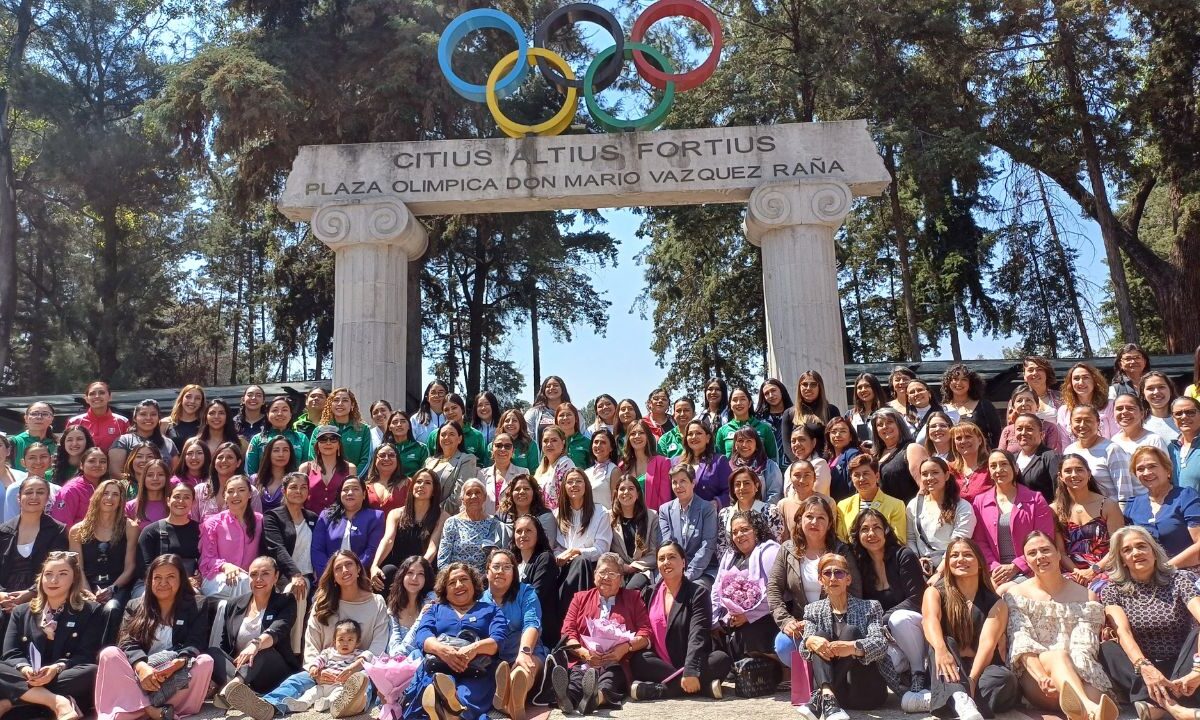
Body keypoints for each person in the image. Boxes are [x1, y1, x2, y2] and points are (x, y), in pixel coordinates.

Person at [224, 550, 388, 720]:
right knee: (295, 682)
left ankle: (351, 704)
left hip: (360, 668)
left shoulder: (376, 602)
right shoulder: (322, 603)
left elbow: (380, 642)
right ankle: (268, 706)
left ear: (359, 569)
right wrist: (314, 669)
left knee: (363, 682)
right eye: (338, 568)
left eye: (349, 565)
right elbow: (311, 643)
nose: (345, 570)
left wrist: (356, 666)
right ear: (333, 575)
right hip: (324, 667)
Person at [1004, 531, 1115, 720]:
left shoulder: (1085, 596)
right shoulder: (1016, 594)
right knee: (1057, 655)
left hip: (1080, 671)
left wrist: (1072, 677)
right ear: (1026, 560)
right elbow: (1021, 643)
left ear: (1058, 554)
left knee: (1096, 696)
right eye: (1032, 553)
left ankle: (1083, 709)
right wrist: (1043, 678)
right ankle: (1087, 707)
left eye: (1045, 550)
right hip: (1038, 678)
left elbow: (1085, 646)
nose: (1040, 556)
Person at [1098, 525, 1200, 720]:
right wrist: (1145, 667)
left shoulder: (1179, 579)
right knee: (1108, 649)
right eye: (1127, 550)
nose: (1136, 553)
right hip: (1142, 669)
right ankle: (1175, 709)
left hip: (1183, 668)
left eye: (1141, 546)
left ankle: (1155, 708)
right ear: (1122, 560)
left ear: (1154, 551)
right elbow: (1123, 633)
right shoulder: (1112, 591)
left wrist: (1198, 669)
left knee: (1197, 633)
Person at [96, 554, 214, 720]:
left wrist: (180, 661)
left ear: (181, 579)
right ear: (149, 581)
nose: (163, 583)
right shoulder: (135, 605)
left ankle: (135, 708)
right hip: (140, 673)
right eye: (157, 577)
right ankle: (151, 711)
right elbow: (127, 642)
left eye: (170, 577)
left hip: (174, 673)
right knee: (109, 654)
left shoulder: (197, 604)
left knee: (205, 662)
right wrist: (142, 667)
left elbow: (196, 640)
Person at [920, 538, 1020, 720]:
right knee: (945, 642)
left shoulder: (996, 602)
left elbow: (988, 645)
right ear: (948, 563)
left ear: (980, 564)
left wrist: (972, 679)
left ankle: (952, 700)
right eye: (954, 555)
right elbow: (929, 621)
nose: (961, 560)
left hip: (983, 667)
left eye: (967, 555)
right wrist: (941, 651)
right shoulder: (934, 592)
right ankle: (961, 702)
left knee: (1005, 679)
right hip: (949, 663)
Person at [0, 551, 102, 719]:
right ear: (41, 578)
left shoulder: (90, 611)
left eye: (62, 574)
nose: (53, 580)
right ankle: (58, 703)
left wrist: (56, 668)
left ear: (75, 578)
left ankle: (14, 701)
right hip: (27, 675)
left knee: (92, 672)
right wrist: (25, 669)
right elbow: (11, 653)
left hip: (63, 675)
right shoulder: (21, 611)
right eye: (48, 574)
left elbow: (86, 655)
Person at [402, 563, 507, 720]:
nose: (459, 585)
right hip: (440, 665)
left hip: (477, 670)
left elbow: (498, 639)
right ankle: (447, 709)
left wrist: (474, 649)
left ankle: (449, 711)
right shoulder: (435, 609)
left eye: (464, 579)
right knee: (439, 684)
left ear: (474, 583)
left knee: (467, 694)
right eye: (452, 582)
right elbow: (423, 634)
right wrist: (441, 650)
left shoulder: (490, 609)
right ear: (445, 589)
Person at [795, 552, 892, 720]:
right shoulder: (812, 610)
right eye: (827, 573)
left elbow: (880, 644)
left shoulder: (869, 607)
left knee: (851, 632)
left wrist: (853, 648)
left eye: (839, 573)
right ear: (820, 580)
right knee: (818, 636)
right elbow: (805, 650)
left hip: (866, 692)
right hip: (838, 697)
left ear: (848, 579)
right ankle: (827, 695)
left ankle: (820, 697)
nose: (833, 578)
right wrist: (810, 641)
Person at [769, 495, 861, 669]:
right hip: (802, 624)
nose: (814, 522)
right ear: (799, 520)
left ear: (829, 523)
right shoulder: (787, 549)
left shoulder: (841, 550)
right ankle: (809, 680)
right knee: (783, 644)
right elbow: (773, 588)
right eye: (809, 517)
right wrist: (786, 621)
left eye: (821, 518)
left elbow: (855, 590)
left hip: (838, 622)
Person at [554, 553, 652, 713]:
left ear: (621, 580)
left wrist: (626, 648)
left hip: (616, 661)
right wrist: (584, 653)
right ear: (594, 576)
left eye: (612, 574)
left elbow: (646, 632)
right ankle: (567, 699)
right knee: (578, 676)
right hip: (586, 659)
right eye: (602, 572)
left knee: (611, 678)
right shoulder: (580, 598)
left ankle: (595, 698)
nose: (606, 577)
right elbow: (568, 632)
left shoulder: (633, 597)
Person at [851, 509, 927, 711]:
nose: (871, 534)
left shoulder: (904, 555)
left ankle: (919, 673)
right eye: (865, 529)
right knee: (882, 661)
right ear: (858, 536)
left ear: (886, 530)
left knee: (899, 619)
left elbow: (917, 599)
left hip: (914, 628)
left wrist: (881, 619)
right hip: (887, 636)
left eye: (877, 527)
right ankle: (905, 679)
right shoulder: (860, 565)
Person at [208, 556, 299, 699]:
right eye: (254, 574)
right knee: (212, 652)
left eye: (265, 574)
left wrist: (255, 645)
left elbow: (278, 630)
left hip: (270, 670)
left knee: (262, 650)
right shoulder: (234, 604)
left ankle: (234, 687)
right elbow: (224, 646)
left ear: (276, 577)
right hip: (239, 667)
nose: (258, 579)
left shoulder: (286, 601)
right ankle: (244, 691)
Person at [972, 450, 1055, 587]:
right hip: (994, 572)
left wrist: (1016, 566)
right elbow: (979, 541)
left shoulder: (1035, 499)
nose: (999, 470)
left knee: (1002, 592)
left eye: (1004, 464)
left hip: (1030, 570)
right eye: (993, 466)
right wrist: (995, 568)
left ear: (1015, 468)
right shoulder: (980, 502)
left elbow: (1045, 539)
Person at [69, 478, 138, 643]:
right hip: (86, 585)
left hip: (117, 586)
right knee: (84, 609)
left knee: (112, 609)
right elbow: (78, 568)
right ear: (97, 497)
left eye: (115, 494)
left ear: (121, 500)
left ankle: (105, 656)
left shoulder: (130, 527)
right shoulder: (77, 530)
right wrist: (88, 593)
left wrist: (111, 589)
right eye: (105, 493)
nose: (110, 498)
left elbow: (130, 567)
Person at [483, 549, 544, 720]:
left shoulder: (526, 592)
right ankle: (511, 703)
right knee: (499, 670)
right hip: (496, 660)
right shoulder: (480, 601)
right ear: (487, 571)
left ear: (514, 572)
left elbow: (532, 624)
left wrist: (524, 652)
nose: (501, 571)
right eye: (496, 566)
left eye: (507, 567)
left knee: (524, 668)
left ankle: (511, 698)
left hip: (527, 651)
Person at [711, 512, 780, 660]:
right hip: (733, 617)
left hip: (765, 615)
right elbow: (717, 589)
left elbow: (774, 593)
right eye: (735, 532)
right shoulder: (729, 555)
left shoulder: (770, 551)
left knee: (747, 634)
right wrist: (715, 619)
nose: (739, 535)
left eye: (744, 529)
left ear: (756, 529)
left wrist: (747, 616)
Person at [1054, 453, 1124, 588]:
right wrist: (1078, 573)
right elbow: (1060, 552)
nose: (1074, 474)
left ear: (1089, 474)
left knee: (1101, 588)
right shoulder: (1055, 510)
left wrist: (1093, 571)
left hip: (1105, 569)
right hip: (1071, 572)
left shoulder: (1108, 505)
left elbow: (1117, 546)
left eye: (1079, 469)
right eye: (1068, 471)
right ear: (1061, 476)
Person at [371, 469, 446, 593]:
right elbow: (388, 540)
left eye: (427, 483)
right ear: (412, 487)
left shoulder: (442, 516)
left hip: (424, 567)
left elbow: (432, 549)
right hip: (397, 566)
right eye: (418, 482)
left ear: (434, 490)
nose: (421, 485)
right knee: (385, 572)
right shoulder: (395, 513)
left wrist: (414, 571)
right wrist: (374, 565)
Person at [0, 476, 69, 610]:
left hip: (41, 596)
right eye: (29, 492)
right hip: (4, 597)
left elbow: (57, 569)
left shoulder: (57, 530)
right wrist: (2, 595)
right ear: (19, 498)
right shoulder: (3, 531)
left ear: (48, 498)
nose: (34, 496)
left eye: (40, 492)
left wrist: (30, 593)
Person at [1125, 446, 1200, 568]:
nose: (1147, 473)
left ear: (1168, 470)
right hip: (1146, 576)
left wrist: (1164, 568)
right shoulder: (1133, 505)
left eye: (1152, 466)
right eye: (1140, 469)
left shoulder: (1186, 497)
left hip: (1185, 572)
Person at [282, 619, 373, 715]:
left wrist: (362, 659)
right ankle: (302, 703)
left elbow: (370, 656)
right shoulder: (329, 652)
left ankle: (328, 703)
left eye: (350, 640)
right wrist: (314, 667)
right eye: (341, 639)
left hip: (340, 685)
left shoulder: (357, 654)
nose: (345, 643)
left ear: (357, 642)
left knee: (339, 695)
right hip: (323, 684)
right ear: (334, 641)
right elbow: (319, 660)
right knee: (311, 692)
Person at [907, 457, 976, 577]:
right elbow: (910, 538)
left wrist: (939, 573)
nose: (929, 478)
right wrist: (917, 561)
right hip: (921, 568)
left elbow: (958, 543)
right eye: (924, 474)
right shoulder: (914, 505)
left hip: (952, 567)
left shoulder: (963, 507)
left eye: (935, 472)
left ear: (946, 475)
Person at [553, 468, 612, 607]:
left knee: (581, 561)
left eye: (579, 481)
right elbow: (555, 547)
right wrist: (562, 556)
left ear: (586, 486)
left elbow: (602, 549)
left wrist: (576, 551)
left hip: (590, 567)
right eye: (570, 482)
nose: (574, 485)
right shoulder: (557, 515)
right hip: (563, 567)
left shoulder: (600, 512)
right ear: (564, 487)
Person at [199, 475, 263, 598]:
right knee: (242, 581)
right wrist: (226, 566)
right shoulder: (213, 523)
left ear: (250, 494)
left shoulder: (260, 521)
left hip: (249, 579)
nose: (235, 495)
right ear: (224, 496)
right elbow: (207, 560)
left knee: (243, 582)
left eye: (241, 490)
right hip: (216, 578)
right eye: (230, 491)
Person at [658, 465, 719, 592]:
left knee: (692, 592)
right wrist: (675, 573)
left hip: (702, 571)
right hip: (673, 568)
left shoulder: (707, 509)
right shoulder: (665, 510)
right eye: (674, 482)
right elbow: (667, 545)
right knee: (656, 591)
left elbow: (707, 547)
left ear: (693, 482)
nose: (678, 486)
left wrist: (688, 575)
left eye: (683, 481)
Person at [312, 476, 385, 578]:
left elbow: (371, 551)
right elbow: (317, 550)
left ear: (364, 494)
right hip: (328, 578)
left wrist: (353, 574)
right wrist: (330, 575)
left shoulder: (376, 517)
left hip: (360, 578)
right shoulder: (326, 516)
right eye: (345, 489)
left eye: (355, 489)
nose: (350, 493)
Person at [136, 484, 201, 595]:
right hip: (153, 583)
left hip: (191, 584)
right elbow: (144, 568)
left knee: (196, 597)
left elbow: (205, 561)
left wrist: (200, 575)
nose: (181, 501)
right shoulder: (151, 531)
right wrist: (179, 581)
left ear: (193, 503)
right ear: (168, 500)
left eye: (186, 497)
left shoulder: (200, 530)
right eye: (176, 496)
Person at [1065, 405, 1135, 505]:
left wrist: (1121, 518)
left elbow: (1125, 493)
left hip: (1109, 515)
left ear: (1098, 423)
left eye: (1088, 420)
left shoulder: (1112, 449)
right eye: (1077, 420)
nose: (1082, 424)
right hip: (1081, 514)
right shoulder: (1069, 451)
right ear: (1071, 424)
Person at [437, 479, 509, 573]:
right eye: (469, 493)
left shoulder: (495, 524)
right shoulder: (452, 523)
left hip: (486, 581)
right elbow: (443, 560)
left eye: (478, 492)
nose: (473, 496)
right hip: (456, 579)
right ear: (462, 499)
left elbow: (500, 559)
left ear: (484, 497)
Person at [511, 514, 560, 649]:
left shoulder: (545, 559)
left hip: (538, 629)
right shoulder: (512, 563)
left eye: (528, 530)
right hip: (513, 625)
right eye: (519, 531)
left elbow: (535, 596)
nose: (523, 535)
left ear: (538, 534)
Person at [836, 454, 906, 542]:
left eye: (866, 473)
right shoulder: (843, 506)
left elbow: (899, 540)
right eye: (856, 475)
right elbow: (841, 540)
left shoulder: (896, 505)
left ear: (877, 476)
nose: (861, 479)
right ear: (851, 479)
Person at [608, 475, 660, 593]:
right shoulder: (608, 517)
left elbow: (654, 553)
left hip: (642, 569)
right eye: (622, 489)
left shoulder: (652, 516)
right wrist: (620, 566)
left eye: (631, 488)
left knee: (631, 591)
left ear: (638, 494)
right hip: (616, 569)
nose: (626, 492)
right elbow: (606, 549)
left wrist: (632, 567)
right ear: (616, 494)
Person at [307, 388, 372, 477]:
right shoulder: (319, 430)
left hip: (352, 486)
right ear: (330, 404)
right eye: (336, 400)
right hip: (326, 482)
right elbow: (313, 458)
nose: (340, 404)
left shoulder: (363, 429)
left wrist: (351, 481)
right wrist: (328, 479)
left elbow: (366, 460)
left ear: (352, 404)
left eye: (345, 400)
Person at [871, 407, 929, 504]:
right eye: (880, 425)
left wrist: (914, 512)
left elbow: (925, 486)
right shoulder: (876, 455)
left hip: (908, 514)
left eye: (889, 422)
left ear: (899, 425)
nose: (885, 426)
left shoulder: (912, 449)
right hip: (884, 514)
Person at [717, 467, 782, 552]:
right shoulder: (724, 514)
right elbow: (721, 547)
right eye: (737, 484)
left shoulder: (771, 512)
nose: (742, 488)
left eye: (746, 483)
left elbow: (776, 545)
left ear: (756, 486)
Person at [672, 419, 731, 513]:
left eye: (698, 433)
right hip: (681, 516)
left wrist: (716, 503)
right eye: (690, 434)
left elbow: (730, 491)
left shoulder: (719, 461)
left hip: (708, 516)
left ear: (708, 438)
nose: (694, 437)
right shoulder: (675, 462)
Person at [194, 442, 261, 523]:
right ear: (214, 462)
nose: (224, 461)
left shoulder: (251, 491)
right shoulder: (199, 491)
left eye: (229, 457)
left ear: (238, 463)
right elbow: (193, 524)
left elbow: (257, 524)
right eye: (220, 457)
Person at [244, 396, 308, 478]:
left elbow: (307, 468)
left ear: (291, 414)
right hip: (264, 488)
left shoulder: (301, 438)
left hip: (294, 488)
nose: (280, 413)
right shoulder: (257, 439)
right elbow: (250, 472)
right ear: (267, 414)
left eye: (284, 410)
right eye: (275, 410)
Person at [383, 555, 435, 656]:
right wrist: (397, 656)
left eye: (420, 574)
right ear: (402, 575)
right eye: (410, 573)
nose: (414, 578)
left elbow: (418, 633)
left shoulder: (431, 600)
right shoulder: (394, 604)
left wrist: (400, 655)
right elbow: (393, 639)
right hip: (397, 661)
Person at [941, 364, 1002, 447]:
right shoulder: (942, 409)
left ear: (971, 384)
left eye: (964, 379)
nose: (959, 383)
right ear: (948, 382)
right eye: (955, 379)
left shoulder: (984, 405)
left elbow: (997, 434)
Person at [426, 421, 480, 515]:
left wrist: (435, 514)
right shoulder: (429, 461)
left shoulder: (467, 459)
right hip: (425, 514)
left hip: (448, 516)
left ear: (459, 439)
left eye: (451, 434)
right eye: (443, 434)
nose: (446, 437)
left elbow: (459, 495)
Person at [298, 425, 353, 515]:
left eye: (333, 439)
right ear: (317, 445)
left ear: (339, 444)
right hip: (310, 523)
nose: (328, 443)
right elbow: (299, 499)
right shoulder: (305, 468)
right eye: (323, 439)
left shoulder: (350, 468)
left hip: (339, 522)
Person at [777, 459, 837, 541]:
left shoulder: (828, 502)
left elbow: (832, 535)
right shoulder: (783, 504)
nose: (802, 480)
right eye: (797, 475)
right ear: (790, 478)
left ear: (815, 477)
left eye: (807, 475)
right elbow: (783, 538)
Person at [619, 420, 674, 509]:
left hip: (653, 519)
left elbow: (665, 500)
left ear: (648, 437)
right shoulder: (623, 466)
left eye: (641, 433)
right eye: (633, 433)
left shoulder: (662, 463)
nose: (637, 436)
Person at [50, 446, 110, 527]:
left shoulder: (109, 487)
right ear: (81, 465)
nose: (97, 465)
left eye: (103, 461)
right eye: (92, 461)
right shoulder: (72, 489)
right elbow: (62, 525)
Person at [716, 386, 779, 463]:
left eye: (743, 399)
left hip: (760, 474)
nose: (739, 403)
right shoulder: (722, 431)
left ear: (749, 403)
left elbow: (773, 458)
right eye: (735, 400)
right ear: (730, 405)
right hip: (730, 474)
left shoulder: (764, 428)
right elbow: (719, 461)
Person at [1057, 363, 1118, 441]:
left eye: (1085, 377)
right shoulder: (1063, 411)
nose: (1081, 382)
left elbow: (1116, 437)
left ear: (1095, 381)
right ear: (1071, 383)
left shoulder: (1110, 405)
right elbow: (1063, 443)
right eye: (1076, 378)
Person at [999, 384, 1067, 454]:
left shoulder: (1049, 428)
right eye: (1019, 400)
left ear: (1037, 406)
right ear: (1013, 407)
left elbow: (1052, 456)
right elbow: (1000, 456)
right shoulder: (1007, 431)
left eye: (1028, 400)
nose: (1024, 404)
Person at [496, 474, 557, 548]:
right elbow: (493, 543)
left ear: (534, 493)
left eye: (526, 488)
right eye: (517, 489)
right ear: (511, 493)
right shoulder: (502, 515)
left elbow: (547, 546)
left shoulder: (545, 516)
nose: (521, 492)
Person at [66, 381, 129, 453]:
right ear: (86, 399)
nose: (97, 396)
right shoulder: (74, 422)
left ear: (110, 397)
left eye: (102, 393)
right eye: (92, 394)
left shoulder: (122, 422)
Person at [1012, 412, 1062, 503]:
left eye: (1029, 429)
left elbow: (1060, 491)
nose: (1023, 433)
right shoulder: (1012, 459)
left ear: (1042, 434)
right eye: (1019, 429)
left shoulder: (1051, 457)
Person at [428, 394, 489, 466]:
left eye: (454, 408)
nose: (450, 412)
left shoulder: (476, 436)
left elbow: (482, 463)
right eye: (446, 410)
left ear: (462, 409)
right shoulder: (434, 435)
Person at [729, 427, 783, 505]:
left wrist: (757, 511)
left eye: (749, 441)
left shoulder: (769, 466)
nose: (744, 445)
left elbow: (775, 493)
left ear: (756, 445)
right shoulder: (728, 467)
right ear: (735, 445)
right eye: (740, 441)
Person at [1114, 390, 1171, 457]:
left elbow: (1165, 467)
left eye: (1130, 408)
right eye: (1119, 408)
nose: (1124, 412)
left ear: (1141, 413)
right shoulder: (1114, 440)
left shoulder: (1153, 440)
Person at [481, 432, 526, 515]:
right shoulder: (481, 474)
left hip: (512, 523)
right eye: (498, 445)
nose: (503, 449)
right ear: (492, 449)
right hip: (486, 524)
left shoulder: (523, 473)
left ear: (513, 451)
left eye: (507, 446)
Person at [248, 436, 296, 514]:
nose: (281, 454)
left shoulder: (295, 481)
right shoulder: (254, 480)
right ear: (268, 453)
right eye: (276, 450)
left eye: (285, 450)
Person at [9, 401, 57, 473]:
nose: (39, 417)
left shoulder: (58, 444)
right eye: (34, 414)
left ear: (52, 418)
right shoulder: (13, 443)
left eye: (45, 414)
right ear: (26, 418)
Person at [525, 376, 576, 442]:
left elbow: (583, 435)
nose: (552, 388)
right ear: (544, 390)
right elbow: (527, 438)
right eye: (548, 386)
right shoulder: (533, 413)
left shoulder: (574, 412)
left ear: (562, 389)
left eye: (556, 385)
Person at [383, 410, 431, 479]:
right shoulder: (383, 450)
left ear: (409, 426)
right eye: (395, 422)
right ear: (390, 427)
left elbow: (425, 475)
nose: (399, 425)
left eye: (403, 421)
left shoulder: (421, 448)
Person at [953, 422, 993, 503]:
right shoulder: (949, 469)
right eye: (958, 438)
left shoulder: (991, 467)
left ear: (979, 440)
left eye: (968, 437)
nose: (963, 441)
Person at [362, 443, 407, 513]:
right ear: (375, 460)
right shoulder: (365, 486)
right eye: (382, 455)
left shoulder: (409, 483)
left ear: (397, 460)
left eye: (391, 455)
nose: (386, 458)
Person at [128, 459, 170, 529]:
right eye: (150, 475)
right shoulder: (129, 506)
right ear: (144, 478)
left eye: (160, 474)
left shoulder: (174, 505)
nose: (155, 478)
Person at [162, 386, 205, 455]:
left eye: (197, 398)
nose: (192, 401)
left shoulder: (205, 424)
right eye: (188, 397)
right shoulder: (165, 423)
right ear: (181, 399)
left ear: (201, 403)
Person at [824, 416, 859, 501]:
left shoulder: (853, 454)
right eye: (833, 431)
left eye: (843, 431)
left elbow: (855, 486)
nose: (838, 435)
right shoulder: (829, 458)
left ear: (850, 436)